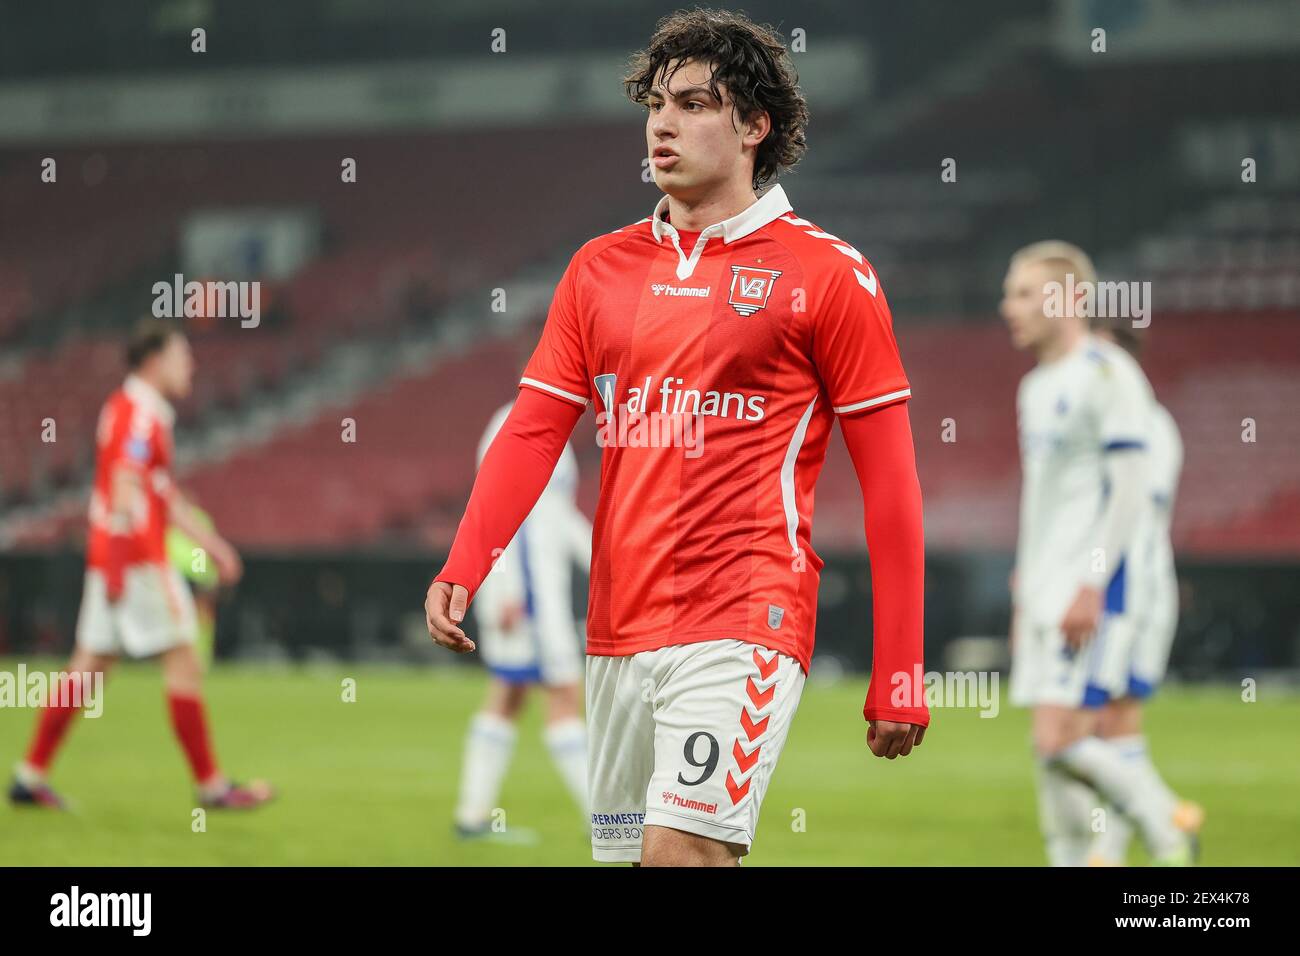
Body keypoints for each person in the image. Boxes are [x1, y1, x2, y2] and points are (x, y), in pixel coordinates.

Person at [426, 9, 929, 866]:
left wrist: (902, 669)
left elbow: (890, 484)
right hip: (618, 628)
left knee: (679, 856)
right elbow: (534, 431)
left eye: (695, 102)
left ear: (753, 125)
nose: (663, 122)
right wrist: (463, 564)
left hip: (746, 611)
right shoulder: (598, 269)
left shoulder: (828, 274)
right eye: (656, 103)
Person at [9, 318, 273, 810]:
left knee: (88, 667)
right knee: (184, 659)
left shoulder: (132, 408)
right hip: (135, 563)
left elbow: (159, 494)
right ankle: (213, 787)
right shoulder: (139, 415)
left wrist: (212, 545)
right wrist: (116, 565)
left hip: (114, 560)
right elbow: (127, 492)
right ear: (154, 361)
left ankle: (28, 777)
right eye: (181, 355)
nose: (190, 364)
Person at [1001, 241, 1193, 865]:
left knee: (1061, 739)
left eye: (1025, 293)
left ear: (1067, 300)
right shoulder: (1035, 386)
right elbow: (1048, 501)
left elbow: (1131, 493)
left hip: (1090, 588)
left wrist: (1090, 583)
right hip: (1044, 588)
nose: (1010, 307)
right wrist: (1027, 581)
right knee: (1050, 747)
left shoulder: (1106, 375)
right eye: (1010, 293)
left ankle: (1164, 821)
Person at [453, 398, 592, 839]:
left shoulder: (550, 426)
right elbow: (499, 509)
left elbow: (557, 516)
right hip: (530, 602)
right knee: (565, 696)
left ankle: (472, 816)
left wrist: (604, 562)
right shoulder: (516, 424)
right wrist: (508, 592)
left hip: (536, 596)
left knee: (509, 697)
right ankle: (607, 820)